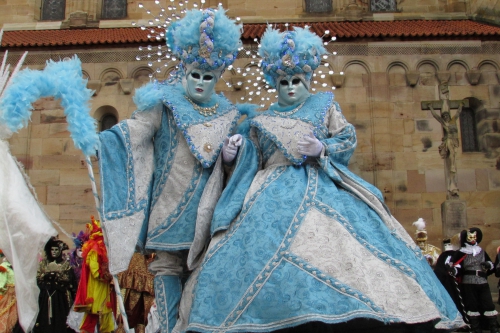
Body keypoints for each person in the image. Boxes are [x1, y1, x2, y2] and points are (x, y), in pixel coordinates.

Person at [177, 25, 465, 333]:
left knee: (347, 247)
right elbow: (255, 159)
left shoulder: (324, 106)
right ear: (275, 83)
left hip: (321, 183)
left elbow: (347, 137)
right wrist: (235, 153)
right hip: (266, 194)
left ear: (308, 80)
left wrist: (322, 147)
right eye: (284, 82)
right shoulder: (260, 120)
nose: (290, 87)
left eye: (296, 81)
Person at [97, 6, 244, 333]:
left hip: (210, 213)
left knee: (205, 276)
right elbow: (136, 131)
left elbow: (239, 167)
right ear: (184, 70)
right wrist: (103, 142)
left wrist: (232, 156)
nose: (201, 82)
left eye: (208, 77)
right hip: (169, 208)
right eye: (195, 75)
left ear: (218, 78)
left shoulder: (230, 115)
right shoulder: (163, 105)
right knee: (166, 269)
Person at [448, 228, 499, 333]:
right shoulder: (461, 252)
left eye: (474, 237)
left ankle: (493, 327)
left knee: (488, 304)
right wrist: (454, 270)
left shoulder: (481, 251)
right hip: (468, 282)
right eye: (470, 237)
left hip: (482, 281)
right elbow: (457, 265)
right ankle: (475, 328)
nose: (472, 239)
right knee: (472, 305)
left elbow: (491, 264)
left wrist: (488, 265)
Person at [73, 217, 116, 333]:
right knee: (91, 318)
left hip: (104, 288)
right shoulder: (94, 249)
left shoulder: (105, 249)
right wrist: (105, 276)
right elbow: (95, 271)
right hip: (97, 288)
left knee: (106, 317)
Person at [428, 83, 464, 199]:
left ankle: (453, 187)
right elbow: (436, 116)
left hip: (453, 142)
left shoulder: (453, 121)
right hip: (448, 142)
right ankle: (452, 187)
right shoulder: (444, 123)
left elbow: (458, 114)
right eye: (445, 116)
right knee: (451, 163)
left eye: (447, 116)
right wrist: (431, 108)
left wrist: (460, 107)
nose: (446, 117)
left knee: (453, 162)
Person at [34, 237, 76, 333]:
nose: (54, 252)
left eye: (56, 250)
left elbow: (69, 280)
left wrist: (57, 277)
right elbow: (38, 278)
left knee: (60, 318)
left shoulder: (66, 264)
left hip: (60, 297)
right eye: (52, 249)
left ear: (60, 251)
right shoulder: (43, 264)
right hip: (45, 296)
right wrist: (47, 276)